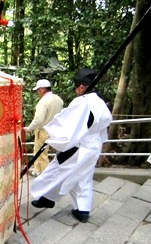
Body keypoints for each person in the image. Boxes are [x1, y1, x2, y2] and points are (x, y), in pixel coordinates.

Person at [30, 69, 112, 223]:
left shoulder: (82, 102)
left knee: (56, 170)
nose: (76, 92)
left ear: (81, 87)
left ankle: (46, 196)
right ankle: (81, 209)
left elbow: (67, 122)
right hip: (93, 145)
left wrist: (53, 135)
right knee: (82, 176)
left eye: (76, 88)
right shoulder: (100, 102)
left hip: (78, 145)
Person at [23, 79, 63, 176]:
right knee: (39, 151)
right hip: (53, 128)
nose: (37, 93)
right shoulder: (58, 99)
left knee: (41, 154)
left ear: (42, 89)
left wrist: (29, 128)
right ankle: (37, 170)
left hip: (43, 130)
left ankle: (46, 175)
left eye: (38, 90)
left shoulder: (43, 101)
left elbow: (39, 119)